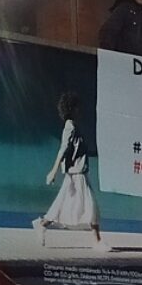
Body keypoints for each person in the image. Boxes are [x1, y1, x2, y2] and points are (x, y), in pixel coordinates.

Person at [33, 92, 110, 252]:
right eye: (77, 107)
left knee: (63, 204)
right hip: (76, 175)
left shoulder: (73, 126)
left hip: (78, 173)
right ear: (72, 108)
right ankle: (96, 241)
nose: (80, 110)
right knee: (91, 206)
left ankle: (42, 224)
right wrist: (53, 171)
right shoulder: (70, 126)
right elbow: (63, 149)